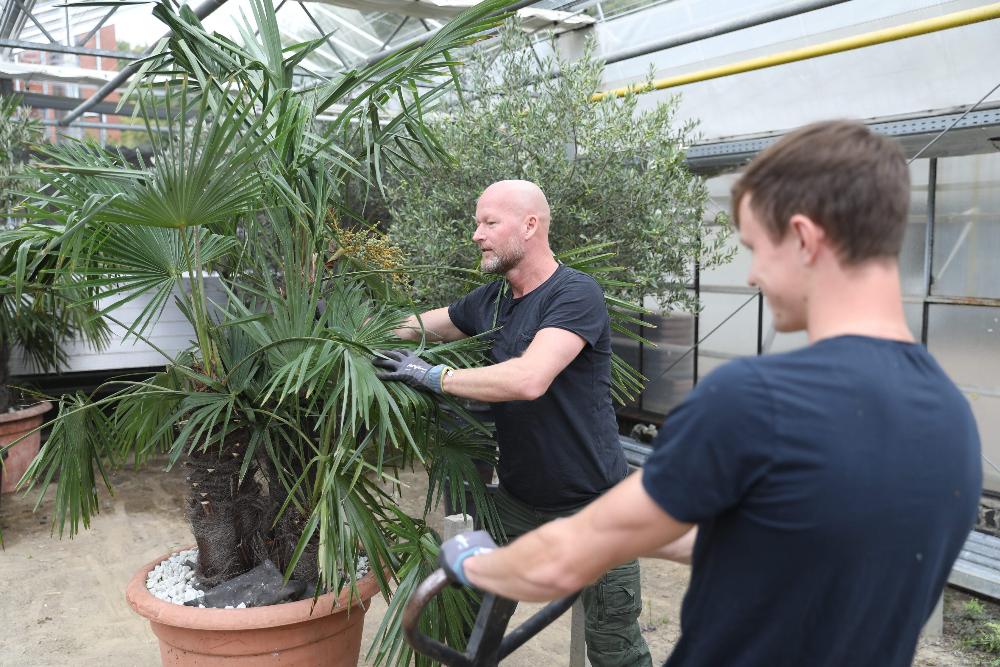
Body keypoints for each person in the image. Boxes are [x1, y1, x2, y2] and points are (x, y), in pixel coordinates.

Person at [435, 121, 983, 666]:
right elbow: (787, 542)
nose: (753, 277)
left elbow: (566, 556)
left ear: (803, 239)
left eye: (756, 248)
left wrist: (477, 563)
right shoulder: (952, 420)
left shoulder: (753, 400)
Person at [376, 179, 652, 666]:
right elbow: (419, 325)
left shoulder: (575, 293)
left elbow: (529, 378)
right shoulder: (492, 300)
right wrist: (352, 329)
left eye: (489, 223)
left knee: (615, 650)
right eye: (476, 224)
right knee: (465, 617)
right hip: (517, 504)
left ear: (530, 226)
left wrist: (434, 376)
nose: (477, 235)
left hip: (597, 510)